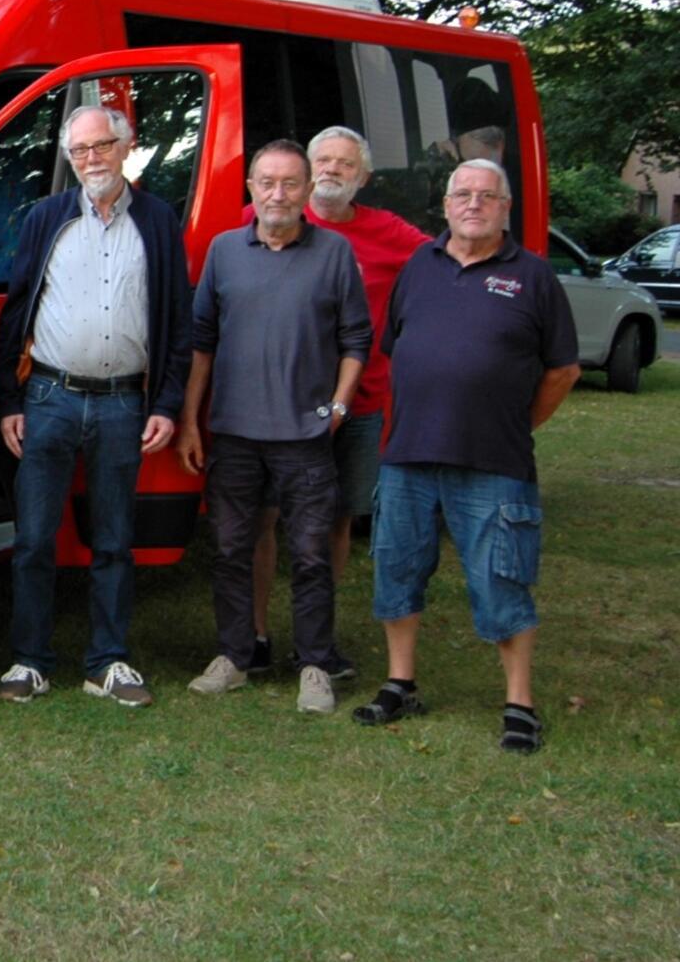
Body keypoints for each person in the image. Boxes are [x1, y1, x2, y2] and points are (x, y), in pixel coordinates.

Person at [353, 159, 578, 753]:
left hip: (493, 460)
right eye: (463, 195)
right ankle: (401, 683)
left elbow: (563, 369)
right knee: (396, 572)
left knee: (502, 581)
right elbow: (397, 347)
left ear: (506, 208)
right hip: (407, 455)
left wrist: (515, 422)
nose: (473, 204)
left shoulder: (533, 277)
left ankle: (519, 705)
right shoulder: (418, 268)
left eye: (487, 195)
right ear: (447, 206)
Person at [0, 107, 193, 709]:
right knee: (33, 539)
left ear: (126, 147)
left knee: (113, 540)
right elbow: (16, 315)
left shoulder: (157, 222)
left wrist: (167, 403)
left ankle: (108, 661)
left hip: (123, 403)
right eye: (79, 151)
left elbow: (178, 323)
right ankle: (29, 660)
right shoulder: (45, 218)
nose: (90, 160)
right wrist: (10, 400)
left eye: (101, 146)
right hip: (49, 397)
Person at [176, 139, 371, 714]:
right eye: (267, 182)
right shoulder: (223, 250)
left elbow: (356, 340)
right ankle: (235, 657)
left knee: (311, 555)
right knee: (232, 549)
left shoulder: (334, 253)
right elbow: (202, 342)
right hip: (234, 433)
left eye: (290, 183)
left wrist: (336, 408)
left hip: (306, 437)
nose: (278, 194)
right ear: (251, 189)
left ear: (308, 191)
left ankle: (314, 664)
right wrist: (191, 419)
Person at [246, 127, 427, 677]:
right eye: (322, 160)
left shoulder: (389, 233)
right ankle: (254, 635)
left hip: (361, 401)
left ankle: (313, 640)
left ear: (363, 178)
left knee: (336, 520)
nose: (331, 170)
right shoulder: (274, 220)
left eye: (345, 165)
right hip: (281, 402)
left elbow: (447, 265)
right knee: (265, 519)